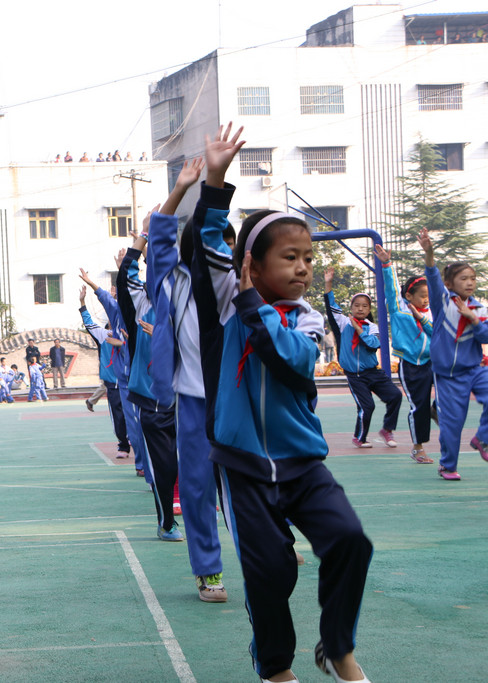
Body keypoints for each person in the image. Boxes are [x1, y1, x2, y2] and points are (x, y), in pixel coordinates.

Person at [192, 123, 372, 683]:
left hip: (302, 463)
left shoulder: (308, 320)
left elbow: (289, 359)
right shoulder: (227, 302)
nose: (302, 267)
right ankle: (274, 667)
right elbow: (207, 241)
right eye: (290, 257)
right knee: (270, 571)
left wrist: (255, 306)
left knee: (349, 540)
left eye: (308, 258)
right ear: (252, 265)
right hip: (244, 467)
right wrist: (215, 179)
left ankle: (337, 647)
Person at [146, 156, 229, 601]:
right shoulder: (172, 281)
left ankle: (274, 542)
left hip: (235, 399)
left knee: (252, 483)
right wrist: (182, 187)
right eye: (212, 241)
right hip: (194, 400)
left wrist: (216, 180)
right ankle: (208, 570)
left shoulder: (233, 284)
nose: (220, 249)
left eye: (226, 243)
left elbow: (214, 226)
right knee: (197, 488)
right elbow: (160, 234)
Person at [117, 218, 180, 542]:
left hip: (187, 399)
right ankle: (166, 521)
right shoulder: (142, 303)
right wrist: (143, 236)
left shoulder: (186, 304)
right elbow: (126, 273)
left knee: (197, 463)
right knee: (164, 466)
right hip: (152, 402)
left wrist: (166, 339)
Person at [417, 227, 488, 480]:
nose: (470, 282)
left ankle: (482, 439)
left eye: (473, 278)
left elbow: (486, 337)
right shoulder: (442, 303)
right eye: (464, 278)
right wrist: (429, 253)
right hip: (448, 377)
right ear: (449, 284)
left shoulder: (479, 309)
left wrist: (473, 319)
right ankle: (448, 465)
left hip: (475, 370)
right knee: (452, 425)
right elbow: (432, 276)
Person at [324, 269, 402, 448]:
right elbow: (330, 305)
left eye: (365, 306)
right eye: (357, 305)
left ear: (369, 309)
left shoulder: (372, 327)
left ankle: (387, 429)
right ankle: (359, 438)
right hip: (355, 376)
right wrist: (328, 283)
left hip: (373, 373)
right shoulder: (343, 323)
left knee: (395, 396)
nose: (360, 308)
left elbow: (373, 345)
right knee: (367, 406)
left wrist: (359, 329)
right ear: (351, 308)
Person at [373, 244, 435, 463]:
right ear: (409, 295)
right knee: (419, 406)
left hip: (433, 362)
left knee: (452, 390)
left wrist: (423, 318)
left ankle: (436, 410)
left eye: (429, 295)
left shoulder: (432, 313)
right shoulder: (400, 310)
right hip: (411, 366)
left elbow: (437, 334)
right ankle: (418, 448)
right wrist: (386, 264)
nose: (426, 299)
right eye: (422, 296)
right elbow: (391, 289)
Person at [79, 287, 129, 456]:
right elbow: (88, 322)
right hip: (113, 383)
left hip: (130, 381)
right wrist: (82, 302)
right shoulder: (103, 334)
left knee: (134, 414)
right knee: (118, 416)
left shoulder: (128, 331)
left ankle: (135, 440)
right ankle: (123, 445)